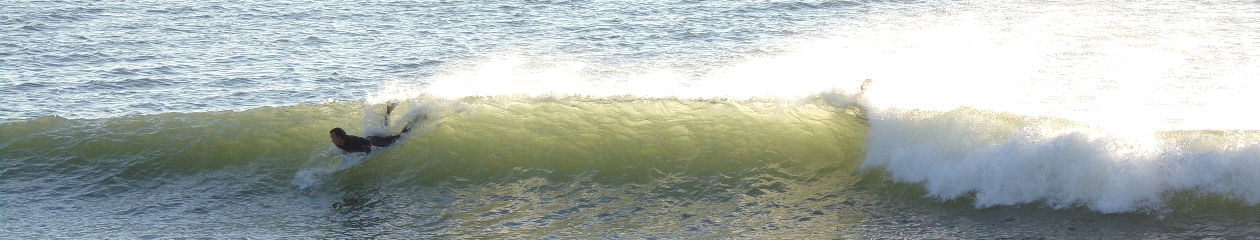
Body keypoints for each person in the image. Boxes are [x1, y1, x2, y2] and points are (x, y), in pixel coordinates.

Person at [329, 103, 410, 153]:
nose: (332, 140)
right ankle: (388, 111)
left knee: (400, 137)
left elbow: (367, 144)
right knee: (384, 128)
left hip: (376, 142)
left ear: (340, 138)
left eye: (333, 137)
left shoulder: (351, 141)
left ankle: (415, 119)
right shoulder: (339, 144)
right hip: (370, 138)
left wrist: (371, 153)